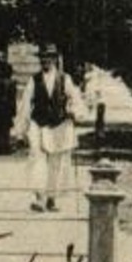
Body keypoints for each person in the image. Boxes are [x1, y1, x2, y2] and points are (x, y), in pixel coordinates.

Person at [14, 44, 83, 212]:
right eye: (43, 58)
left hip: (59, 125)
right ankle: (39, 198)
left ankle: (52, 198)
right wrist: (20, 130)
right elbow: (24, 105)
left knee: (56, 164)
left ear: (54, 59)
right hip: (38, 124)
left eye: (49, 57)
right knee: (36, 159)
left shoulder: (64, 78)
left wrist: (75, 112)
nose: (45, 60)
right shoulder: (34, 80)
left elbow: (75, 99)